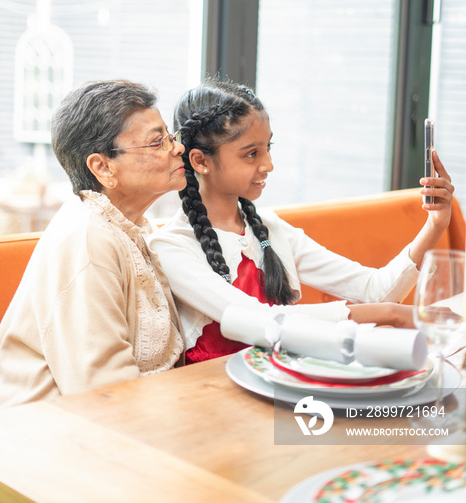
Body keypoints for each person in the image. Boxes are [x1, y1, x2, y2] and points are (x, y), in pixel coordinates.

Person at [149, 79, 455, 364]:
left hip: (285, 381)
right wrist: (391, 315)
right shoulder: (172, 246)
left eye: (267, 148)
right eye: (251, 154)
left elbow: (376, 290)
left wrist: (436, 224)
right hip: (213, 399)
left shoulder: (269, 229)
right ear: (201, 161)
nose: (268, 164)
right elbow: (258, 321)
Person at [0, 79, 187, 408]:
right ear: (102, 167)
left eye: (170, 136)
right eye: (157, 142)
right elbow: (104, 397)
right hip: (52, 435)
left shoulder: (128, 227)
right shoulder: (87, 239)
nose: (177, 148)